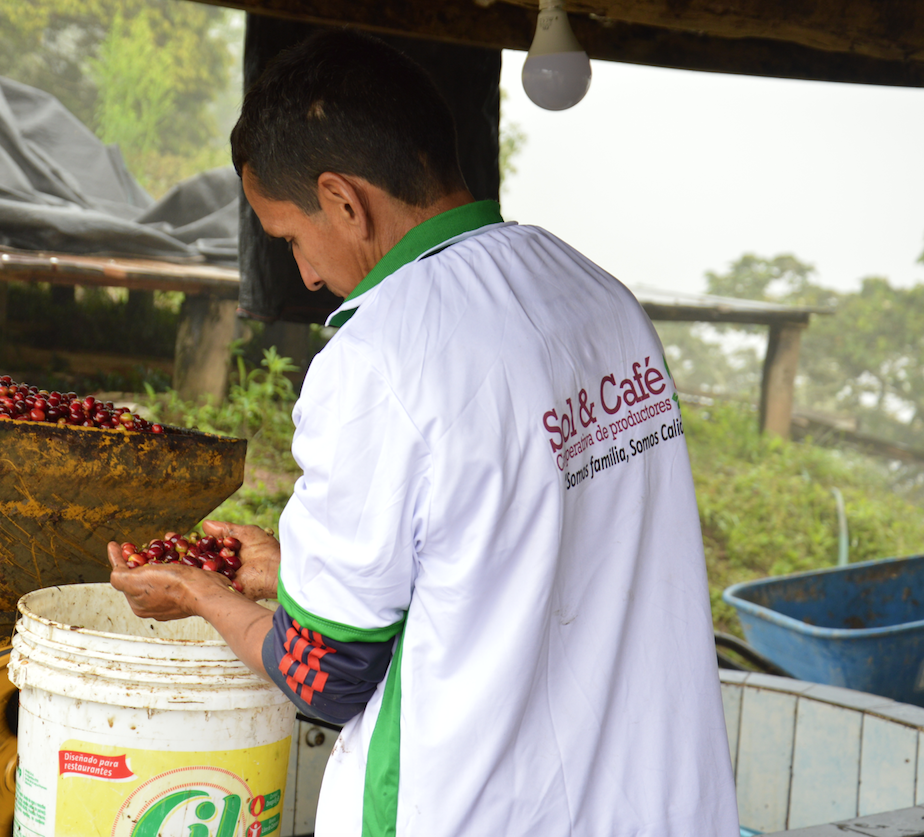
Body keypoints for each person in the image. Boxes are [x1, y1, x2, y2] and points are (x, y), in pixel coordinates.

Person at [109, 28, 739, 837]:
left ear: (343, 199)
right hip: (649, 807)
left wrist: (201, 592)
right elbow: (513, 531)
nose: (302, 274)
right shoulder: (599, 300)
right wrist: (297, 564)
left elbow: (323, 672)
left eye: (291, 238)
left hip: (470, 810)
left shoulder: (380, 357)